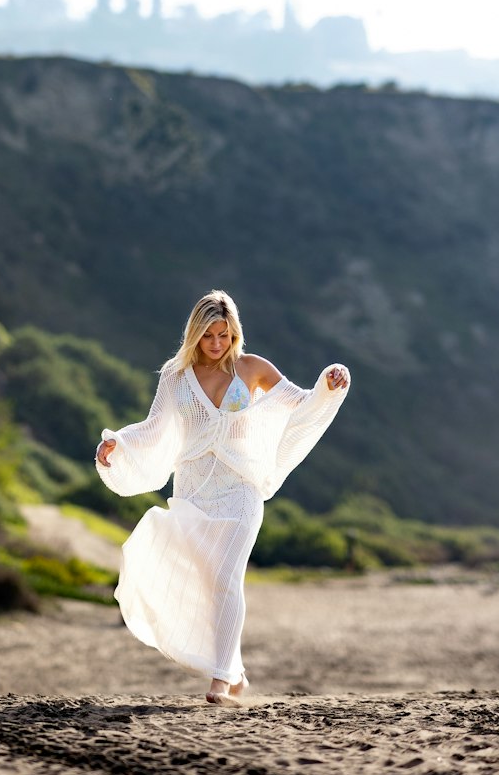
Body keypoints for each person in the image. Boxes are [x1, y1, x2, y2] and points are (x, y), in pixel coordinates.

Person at [95, 289, 351, 705]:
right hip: (193, 491)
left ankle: (219, 682)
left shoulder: (251, 368)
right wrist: (116, 444)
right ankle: (236, 673)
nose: (217, 344)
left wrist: (330, 381)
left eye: (225, 335)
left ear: (235, 334)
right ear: (194, 334)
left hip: (241, 492)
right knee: (204, 583)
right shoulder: (175, 377)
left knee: (226, 579)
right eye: (209, 335)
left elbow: (301, 404)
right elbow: (154, 427)